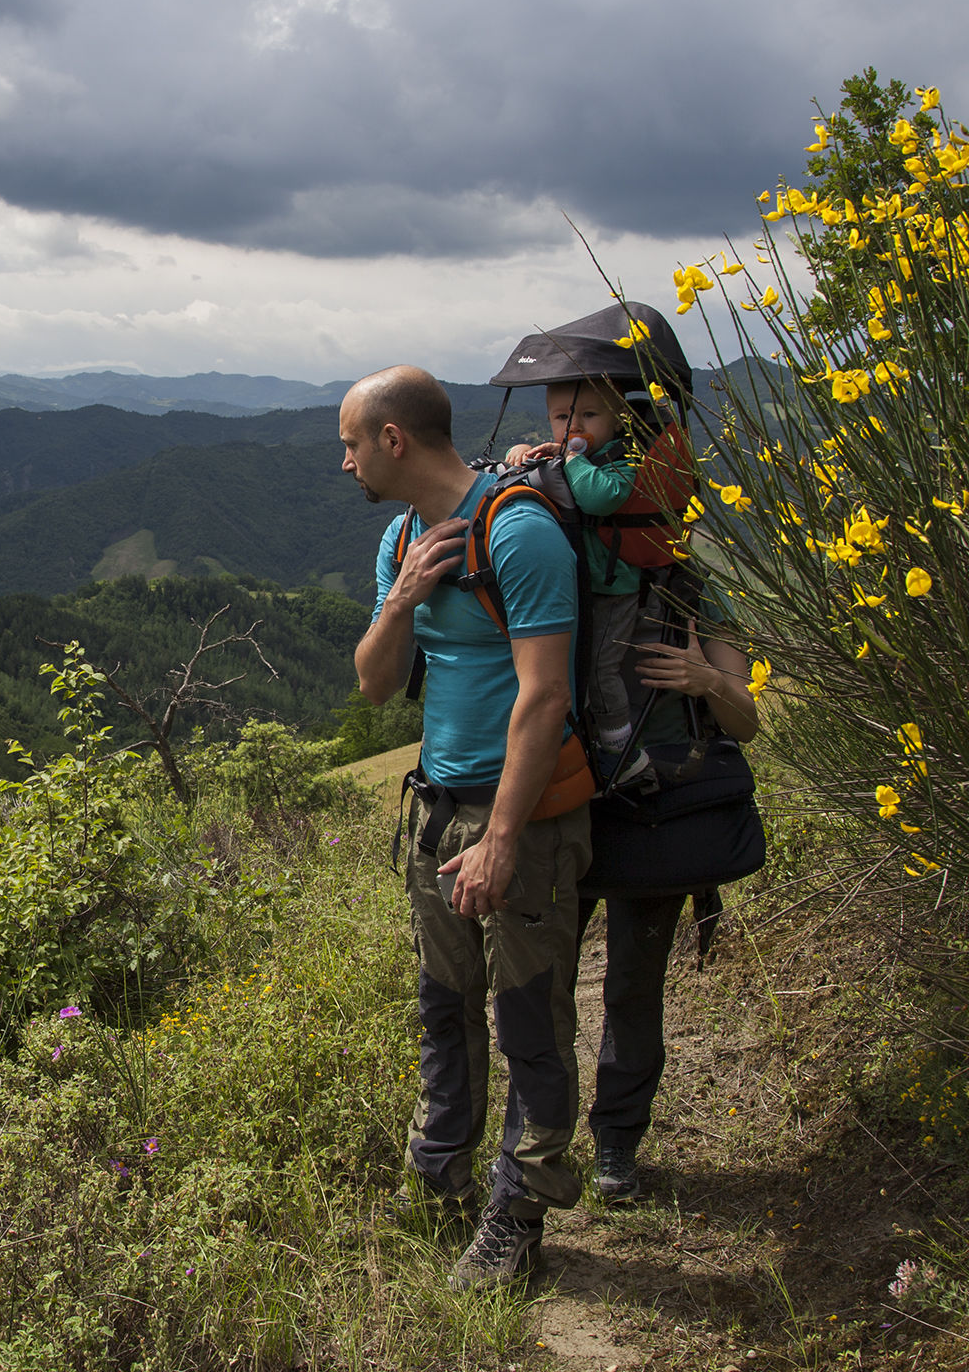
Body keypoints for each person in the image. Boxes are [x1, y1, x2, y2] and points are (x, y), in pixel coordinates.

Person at [341, 364, 590, 1289]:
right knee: (444, 1012)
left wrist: (502, 838)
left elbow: (545, 694)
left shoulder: (519, 532)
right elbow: (372, 685)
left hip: (519, 822)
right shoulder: (404, 540)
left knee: (529, 1020)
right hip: (437, 812)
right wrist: (403, 595)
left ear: (393, 441)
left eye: (352, 443)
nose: (345, 461)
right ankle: (440, 1179)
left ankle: (519, 1217)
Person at [578, 573, 761, 1205]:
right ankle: (552, 1141)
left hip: (658, 808)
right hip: (567, 800)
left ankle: (613, 1143)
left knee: (630, 979)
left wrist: (707, 681)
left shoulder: (691, 588)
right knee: (555, 982)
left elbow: (745, 722)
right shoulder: (558, 553)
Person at [504, 378, 650, 788]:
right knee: (571, 669)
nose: (574, 425)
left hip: (613, 587)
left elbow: (600, 498)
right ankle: (582, 740)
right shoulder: (573, 455)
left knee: (602, 670)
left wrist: (569, 458)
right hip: (579, 585)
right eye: (562, 417)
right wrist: (523, 455)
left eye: (589, 415)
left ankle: (621, 750)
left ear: (618, 421)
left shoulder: (622, 459)